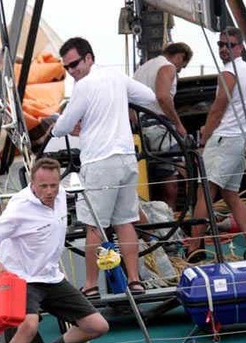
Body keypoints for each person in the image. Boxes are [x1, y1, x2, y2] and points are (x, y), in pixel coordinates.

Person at [0, 157, 109, 343]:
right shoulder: (19, 208)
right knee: (29, 324)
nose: (49, 192)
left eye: (53, 185)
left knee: (98, 326)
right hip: (23, 279)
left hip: (52, 278)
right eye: (43, 187)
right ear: (33, 184)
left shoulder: (61, 196)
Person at [51, 37, 157, 298]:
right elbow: (150, 96)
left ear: (89, 58)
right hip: (126, 159)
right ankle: (135, 281)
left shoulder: (84, 87)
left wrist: (54, 127)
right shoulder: (116, 77)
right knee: (124, 222)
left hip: (99, 162)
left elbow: (64, 126)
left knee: (94, 227)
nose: (72, 71)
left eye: (74, 64)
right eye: (67, 67)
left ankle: (90, 286)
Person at [186, 27, 246, 262]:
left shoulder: (229, 72)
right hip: (239, 140)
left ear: (240, 47)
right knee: (230, 194)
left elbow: (218, 108)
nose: (223, 50)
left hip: (225, 138)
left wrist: (204, 138)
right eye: (220, 45)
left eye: (229, 45)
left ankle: (194, 250)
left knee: (204, 193)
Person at [134, 42, 193, 209]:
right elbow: (163, 97)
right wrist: (178, 124)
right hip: (159, 126)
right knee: (178, 170)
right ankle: (178, 214)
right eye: (182, 66)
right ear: (181, 56)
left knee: (154, 176)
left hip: (141, 129)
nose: (180, 70)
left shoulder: (142, 70)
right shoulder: (168, 67)